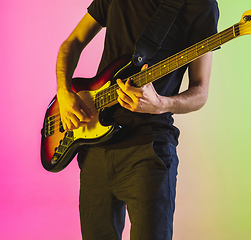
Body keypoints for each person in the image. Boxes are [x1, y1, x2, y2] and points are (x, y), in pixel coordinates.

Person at [56, 0, 219, 239]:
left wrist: (160, 104)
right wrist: (63, 92)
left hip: (148, 150)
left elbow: (200, 92)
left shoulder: (200, 5)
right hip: (95, 148)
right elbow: (73, 42)